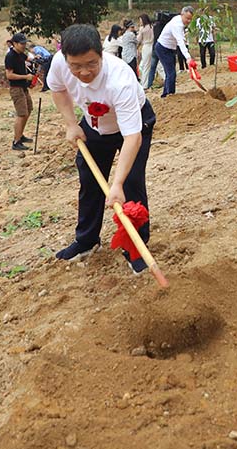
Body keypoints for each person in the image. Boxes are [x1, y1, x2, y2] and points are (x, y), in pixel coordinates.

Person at [48, 24, 156, 274]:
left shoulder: (120, 80)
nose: (84, 72)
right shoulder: (59, 63)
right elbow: (58, 89)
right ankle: (86, 240)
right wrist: (71, 124)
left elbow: (132, 137)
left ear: (101, 54)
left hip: (133, 125)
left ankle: (137, 248)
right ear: (66, 59)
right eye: (76, 66)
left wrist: (116, 184)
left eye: (91, 63)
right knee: (89, 180)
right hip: (95, 126)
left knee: (131, 184)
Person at [154, 6, 196, 98]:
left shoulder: (179, 20)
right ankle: (170, 95)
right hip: (162, 48)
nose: (188, 21)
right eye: (187, 18)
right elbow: (180, 41)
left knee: (169, 73)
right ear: (182, 14)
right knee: (171, 73)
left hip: (170, 49)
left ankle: (165, 94)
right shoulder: (177, 24)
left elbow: (181, 39)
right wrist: (188, 58)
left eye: (190, 19)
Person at [5, 33, 35, 151]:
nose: (24, 45)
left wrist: (36, 59)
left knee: (28, 110)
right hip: (16, 88)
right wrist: (25, 77)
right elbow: (9, 75)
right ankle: (16, 141)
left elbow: (27, 59)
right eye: (21, 43)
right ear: (14, 44)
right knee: (21, 113)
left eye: (24, 43)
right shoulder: (10, 56)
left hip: (23, 87)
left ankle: (20, 135)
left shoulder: (20, 54)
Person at [137, 14, 154, 88]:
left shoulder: (142, 29)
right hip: (152, 45)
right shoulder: (152, 27)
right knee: (157, 64)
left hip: (146, 47)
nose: (140, 22)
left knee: (145, 66)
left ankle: (144, 84)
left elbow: (138, 39)